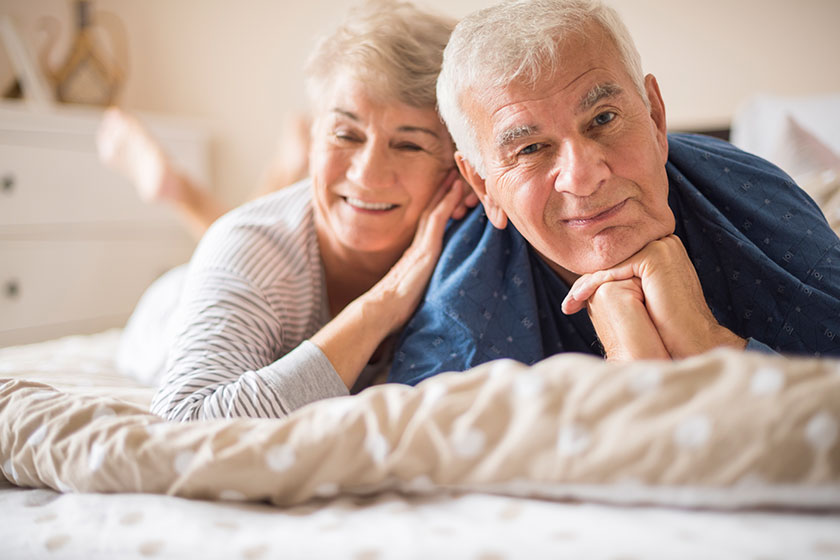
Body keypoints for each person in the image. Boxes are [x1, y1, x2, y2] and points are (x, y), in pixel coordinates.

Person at [389, 0, 840, 385]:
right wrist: (631, 371)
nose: (583, 177)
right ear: (484, 187)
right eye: (530, 148)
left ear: (656, 119)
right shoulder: (457, 335)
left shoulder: (764, 211)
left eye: (603, 119)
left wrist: (709, 344)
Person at [117, 0, 475, 420]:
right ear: (316, 134)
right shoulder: (252, 247)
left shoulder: (474, 238)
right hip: (171, 307)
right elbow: (185, 421)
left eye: (409, 144)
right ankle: (187, 190)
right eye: (346, 134)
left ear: (459, 166)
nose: (368, 175)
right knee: (243, 235)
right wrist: (383, 304)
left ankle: (276, 170)